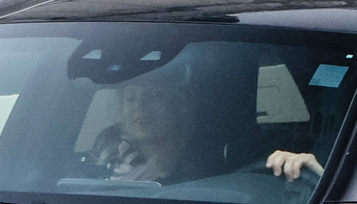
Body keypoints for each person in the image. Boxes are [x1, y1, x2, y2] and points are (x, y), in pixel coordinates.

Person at [84, 69, 319, 186]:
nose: (140, 107)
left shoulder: (221, 170)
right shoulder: (98, 166)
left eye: (155, 96)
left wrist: (310, 170)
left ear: (179, 107)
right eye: (131, 98)